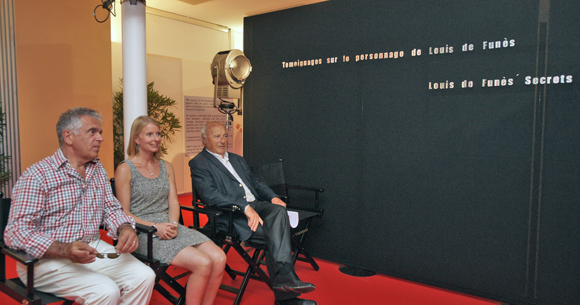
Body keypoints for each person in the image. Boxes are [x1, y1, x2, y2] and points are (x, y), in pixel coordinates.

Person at [4, 107, 156, 305]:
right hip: (45, 260)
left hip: (90, 248)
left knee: (144, 276)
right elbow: (16, 232)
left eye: (100, 132)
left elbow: (110, 207)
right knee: (106, 291)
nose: (100, 138)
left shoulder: (96, 168)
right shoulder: (37, 176)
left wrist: (124, 227)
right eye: (92, 132)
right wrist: (65, 250)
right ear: (68, 137)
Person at [189, 121, 317, 305]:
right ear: (204, 139)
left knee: (278, 210)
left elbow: (256, 183)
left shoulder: (237, 159)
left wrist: (273, 197)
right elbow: (210, 196)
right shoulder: (198, 164)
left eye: (225, 135)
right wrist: (243, 206)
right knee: (276, 234)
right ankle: (286, 295)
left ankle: (284, 280)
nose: (222, 140)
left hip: (256, 205)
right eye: (217, 136)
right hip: (232, 215)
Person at [115, 116, 226, 305]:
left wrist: (173, 224)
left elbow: (174, 203)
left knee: (219, 258)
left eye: (157, 134)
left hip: (170, 226)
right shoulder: (126, 169)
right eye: (149, 134)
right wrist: (155, 226)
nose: (156, 138)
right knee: (203, 263)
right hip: (144, 232)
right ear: (136, 139)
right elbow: (123, 213)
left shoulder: (166, 166)